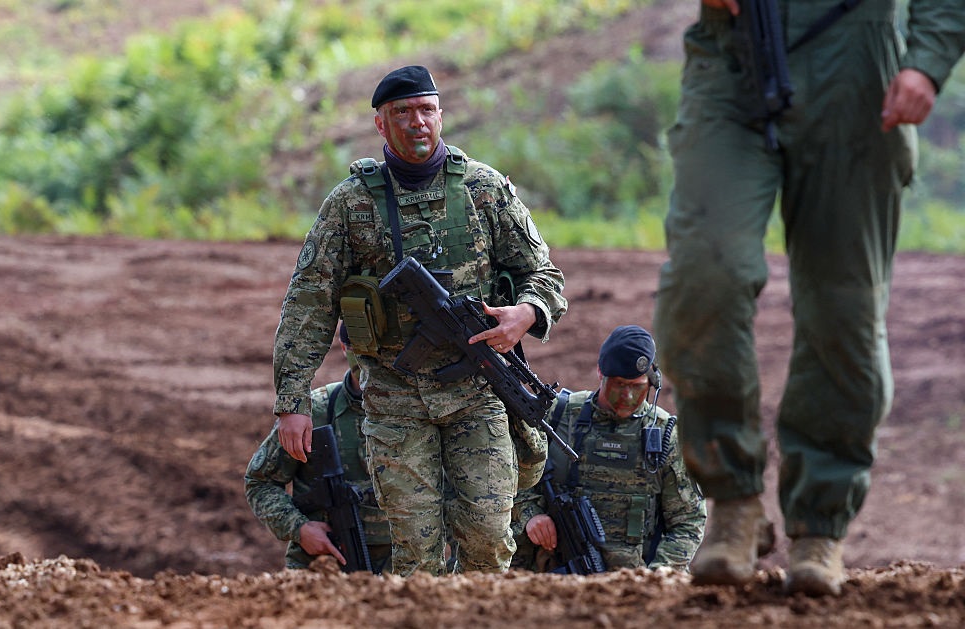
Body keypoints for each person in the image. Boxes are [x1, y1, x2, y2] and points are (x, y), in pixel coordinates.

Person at [652, 0, 965, 596]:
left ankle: (819, 522)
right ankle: (733, 501)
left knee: (843, 308)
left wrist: (926, 61)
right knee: (704, 276)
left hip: (856, 63)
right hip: (733, 56)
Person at [271, 65, 568, 576]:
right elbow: (308, 304)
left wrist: (527, 312)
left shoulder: (483, 189)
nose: (417, 122)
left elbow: (543, 273)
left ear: (441, 116)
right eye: (402, 113)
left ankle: (475, 613)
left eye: (427, 110)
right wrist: (291, 401)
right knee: (415, 552)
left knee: (489, 539)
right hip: (394, 396)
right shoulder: (350, 203)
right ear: (380, 124)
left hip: (478, 390)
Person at [512, 325, 706, 572]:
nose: (627, 396)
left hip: (636, 580)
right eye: (618, 385)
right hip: (553, 576)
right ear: (600, 373)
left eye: (637, 387)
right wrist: (531, 514)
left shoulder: (667, 436)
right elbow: (511, 478)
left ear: (652, 382)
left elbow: (688, 521)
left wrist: (657, 577)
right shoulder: (559, 416)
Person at [246, 324, 392, 572]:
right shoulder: (316, 411)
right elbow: (260, 482)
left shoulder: (417, 414)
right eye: (360, 349)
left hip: (402, 569)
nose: (370, 359)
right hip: (321, 564)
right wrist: (300, 529)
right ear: (344, 347)